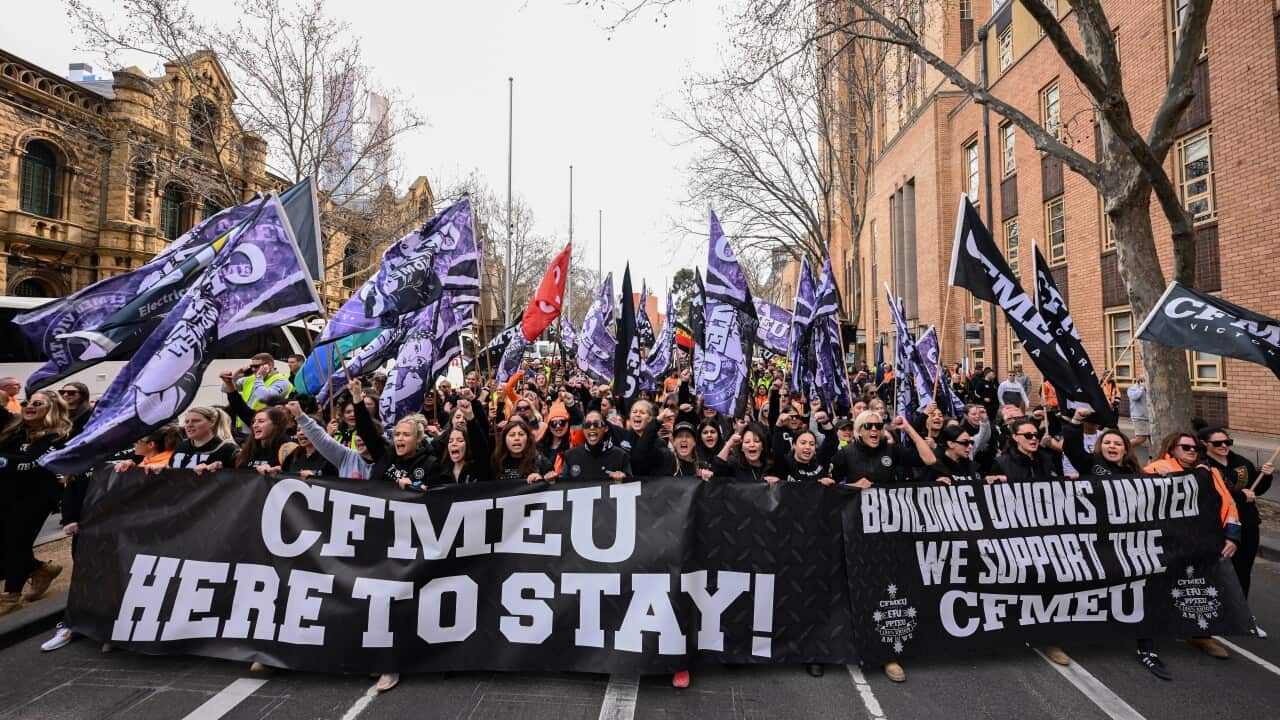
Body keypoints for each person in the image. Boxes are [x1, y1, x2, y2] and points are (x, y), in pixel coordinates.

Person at [0, 390, 71, 616]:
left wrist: (3, 461)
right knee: (7, 541)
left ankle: (11, 596)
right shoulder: (14, 429)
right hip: (7, 493)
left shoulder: (58, 435)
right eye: (26, 402)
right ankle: (41, 569)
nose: (28, 407)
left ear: (50, 408)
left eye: (36, 403)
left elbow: (33, 462)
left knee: (16, 539)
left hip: (37, 497)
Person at [1199, 426, 1272, 637]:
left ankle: (1241, 615)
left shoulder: (1241, 462)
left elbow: (1255, 490)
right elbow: (1209, 496)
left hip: (1247, 524)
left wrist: (1265, 477)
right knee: (1221, 572)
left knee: (1243, 571)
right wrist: (1241, 497)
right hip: (1219, 527)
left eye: (1227, 442)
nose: (1224, 446)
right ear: (1205, 444)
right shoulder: (1203, 466)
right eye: (1218, 443)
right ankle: (1214, 614)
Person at [831, 412, 936, 489]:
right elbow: (832, 487)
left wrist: (908, 428)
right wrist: (854, 486)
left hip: (888, 513)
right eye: (868, 426)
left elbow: (930, 460)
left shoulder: (892, 450)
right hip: (858, 514)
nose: (874, 429)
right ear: (859, 431)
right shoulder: (845, 453)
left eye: (878, 426)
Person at [288, 402, 375, 479]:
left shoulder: (386, 462)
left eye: (364, 434)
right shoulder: (346, 457)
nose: (359, 438)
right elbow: (321, 438)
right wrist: (300, 416)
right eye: (358, 434)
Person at [553, 410, 631, 482]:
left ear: (606, 428)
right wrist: (552, 481)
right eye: (587, 424)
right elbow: (562, 485)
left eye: (597, 424)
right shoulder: (570, 455)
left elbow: (632, 487)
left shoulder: (620, 455)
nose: (592, 427)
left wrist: (624, 479)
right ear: (583, 429)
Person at [927, 425, 1006, 484]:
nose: (970, 446)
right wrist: (935, 484)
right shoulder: (935, 466)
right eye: (965, 443)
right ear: (950, 444)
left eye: (971, 442)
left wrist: (986, 480)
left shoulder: (973, 466)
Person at [169, 407, 238, 471]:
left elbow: (244, 472)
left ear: (212, 422)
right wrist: (164, 469)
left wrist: (218, 471)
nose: (189, 425)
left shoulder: (227, 449)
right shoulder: (182, 446)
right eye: (186, 422)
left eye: (196, 421)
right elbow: (172, 471)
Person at [234, 407, 292, 472]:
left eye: (261, 421)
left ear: (276, 425)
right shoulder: (249, 448)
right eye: (253, 422)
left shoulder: (287, 450)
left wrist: (279, 471)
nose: (255, 425)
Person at [1127, 376, 1150, 456]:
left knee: (1153, 439)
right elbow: (1135, 397)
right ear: (1139, 381)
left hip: (1150, 418)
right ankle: (1124, 448)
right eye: (1142, 381)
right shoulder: (1132, 389)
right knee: (1141, 439)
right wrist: (1141, 388)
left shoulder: (1148, 389)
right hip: (1139, 417)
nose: (1144, 382)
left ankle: (1151, 459)